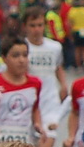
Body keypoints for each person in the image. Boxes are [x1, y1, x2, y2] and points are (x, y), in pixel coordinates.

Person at [0, 40, 47, 147]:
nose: (21, 60)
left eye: (25, 55)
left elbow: (34, 108)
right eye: (15, 56)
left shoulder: (35, 84)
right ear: (4, 58)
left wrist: (38, 125)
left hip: (24, 143)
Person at [19, 8, 68, 138]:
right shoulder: (21, 48)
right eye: (32, 25)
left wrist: (63, 85)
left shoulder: (55, 47)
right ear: (25, 27)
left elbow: (58, 67)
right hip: (28, 104)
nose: (36, 29)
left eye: (40, 25)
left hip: (50, 102)